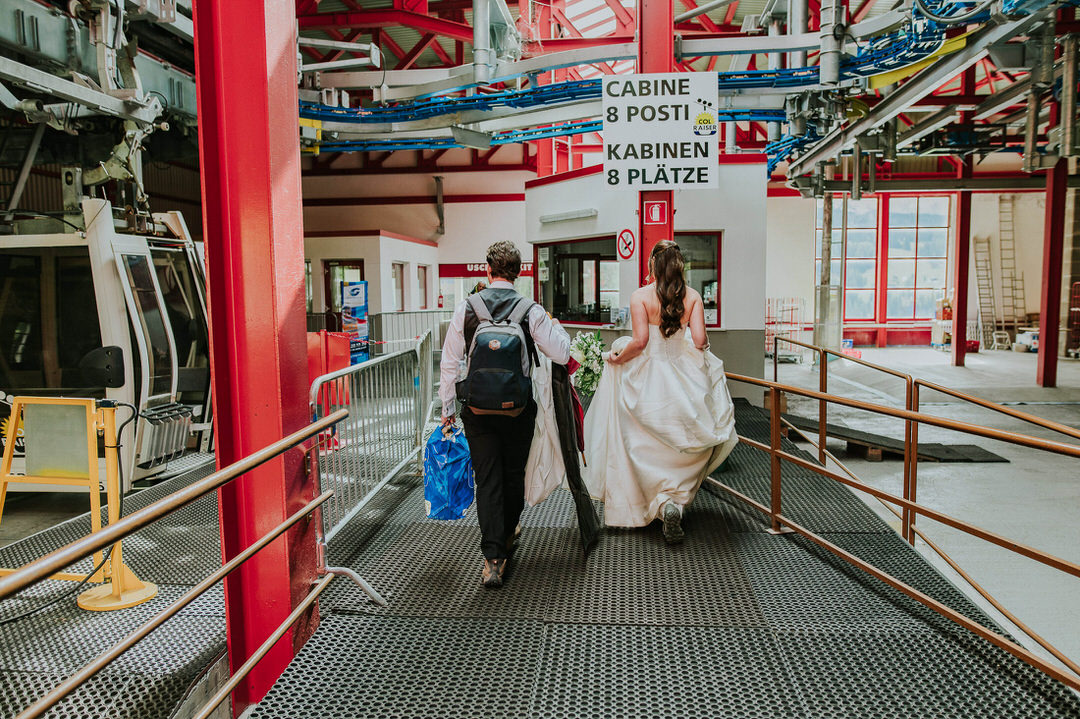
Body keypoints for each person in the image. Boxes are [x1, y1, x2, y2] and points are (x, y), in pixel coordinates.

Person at [583, 240, 738, 543]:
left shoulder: (640, 296)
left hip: (648, 377)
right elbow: (701, 341)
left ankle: (651, 502)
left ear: (653, 264)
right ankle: (673, 502)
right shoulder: (692, 297)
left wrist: (616, 358)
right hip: (683, 379)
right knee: (681, 442)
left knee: (640, 443)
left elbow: (640, 342)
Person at [440, 241, 570, 587]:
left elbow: (450, 361)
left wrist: (447, 407)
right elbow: (560, 352)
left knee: (488, 479)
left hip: (477, 409)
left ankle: (493, 558)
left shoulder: (467, 308)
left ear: (488, 270)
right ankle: (509, 531)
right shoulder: (530, 309)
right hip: (518, 409)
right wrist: (555, 328)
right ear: (519, 271)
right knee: (513, 474)